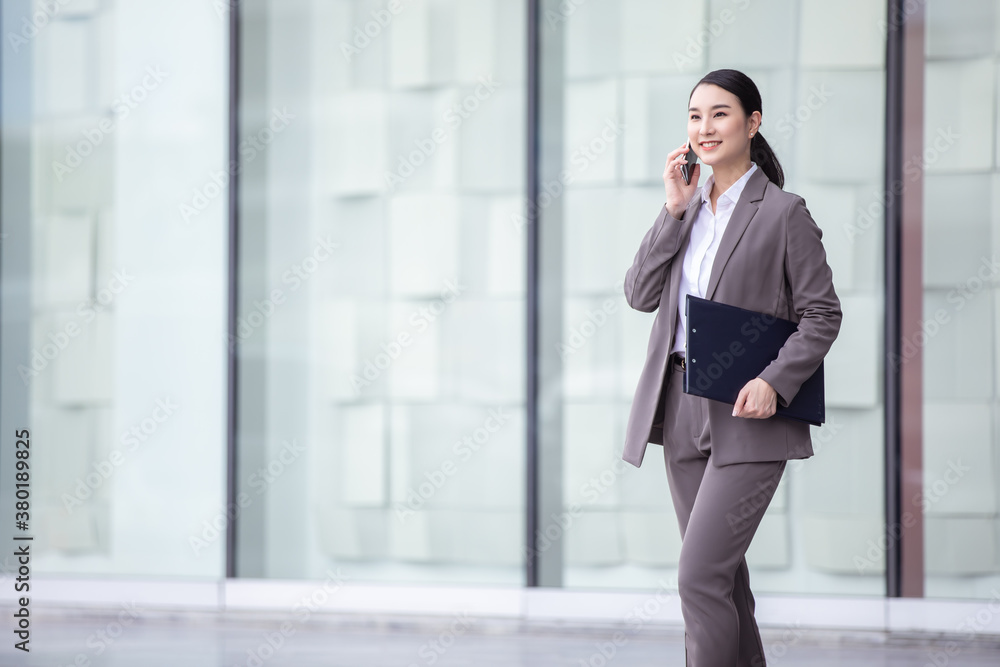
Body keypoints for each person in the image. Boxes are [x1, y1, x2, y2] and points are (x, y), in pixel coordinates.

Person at [620, 69, 842, 666]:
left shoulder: (783, 212)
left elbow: (822, 313)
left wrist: (776, 380)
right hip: (681, 404)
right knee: (725, 582)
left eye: (719, 114)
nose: (705, 127)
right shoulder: (685, 210)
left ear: (753, 122)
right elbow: (640, 294)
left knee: (698, 578)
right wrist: (671, 210)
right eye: (695, 116)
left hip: (749, 409)